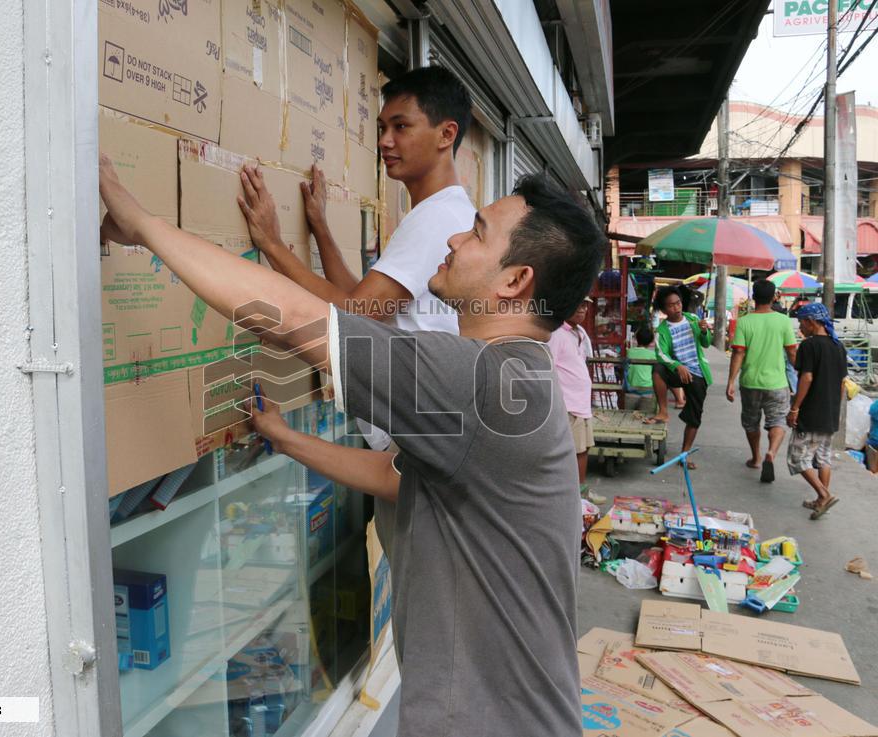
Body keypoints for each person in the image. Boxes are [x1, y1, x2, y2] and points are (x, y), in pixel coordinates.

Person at [99, 162, 607, 736]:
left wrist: (138, 220)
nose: (453, 238)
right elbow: (394, 475)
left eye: (477, 233)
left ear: (514, 281)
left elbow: (291, 318)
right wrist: (286, 438)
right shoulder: (517, 378)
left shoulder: (479, 382)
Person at [235, 66, 476, 557]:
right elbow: (372, 305)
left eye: (402, 126)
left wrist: (273, 245)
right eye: (382, 128)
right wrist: (321, 229)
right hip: (417, 444)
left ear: (445, 134)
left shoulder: (435, 220)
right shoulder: (437, 215)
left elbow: (353, 312)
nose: (386, 141)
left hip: (414, 453)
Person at [725, 279, 797, 483]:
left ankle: (756, 458)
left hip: (750, 383)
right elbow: (792, 352)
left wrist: (731, 381)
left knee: (751, 422)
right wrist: (802, 374)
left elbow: (738, 353)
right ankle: (771, 453)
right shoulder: (783, 321)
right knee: (778, 421)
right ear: (774, 297)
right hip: (777, 383)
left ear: (753, 297)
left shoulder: (745, 321)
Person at [787, 303, 846, 520]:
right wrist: (835, 410)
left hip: (811, 413)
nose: (801, 327)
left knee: (797, 458)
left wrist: (795, 408)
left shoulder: (809, 346)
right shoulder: (838, 346)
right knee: (823, 457)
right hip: (830, 412)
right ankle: (821, 501)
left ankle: (824, 494)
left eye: (802, 322)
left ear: (812, 322)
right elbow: (842, 383)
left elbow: (807, 378)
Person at [646, 285, 713, 469]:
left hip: (698, 373)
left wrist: (705, 331)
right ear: (664, 309)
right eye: (671, 305)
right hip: (678, 372)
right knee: (658, 369)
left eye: (678, 303)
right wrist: (678, 366)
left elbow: (706, 344)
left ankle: (684, 454)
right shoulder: (662, 330)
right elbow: (661, 355)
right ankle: (663, 411)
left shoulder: (693, 319)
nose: (676, 307)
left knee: (694, 417)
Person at [549, 298, 605, 504]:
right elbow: (550, 368)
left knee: (583, 449)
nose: (582, 309)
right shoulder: (556, 334)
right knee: (575, 452)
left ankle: (580, 493)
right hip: (568, 404)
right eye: (577, 304)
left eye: (584, 305)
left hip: (581, 404)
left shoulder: (580, 333)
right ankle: (575, 497)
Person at [627, 325, 657, 397]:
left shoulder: (629, 352)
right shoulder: (652, 355)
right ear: (651, 341)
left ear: (636, 339)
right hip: (647, 389)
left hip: (631, 388)